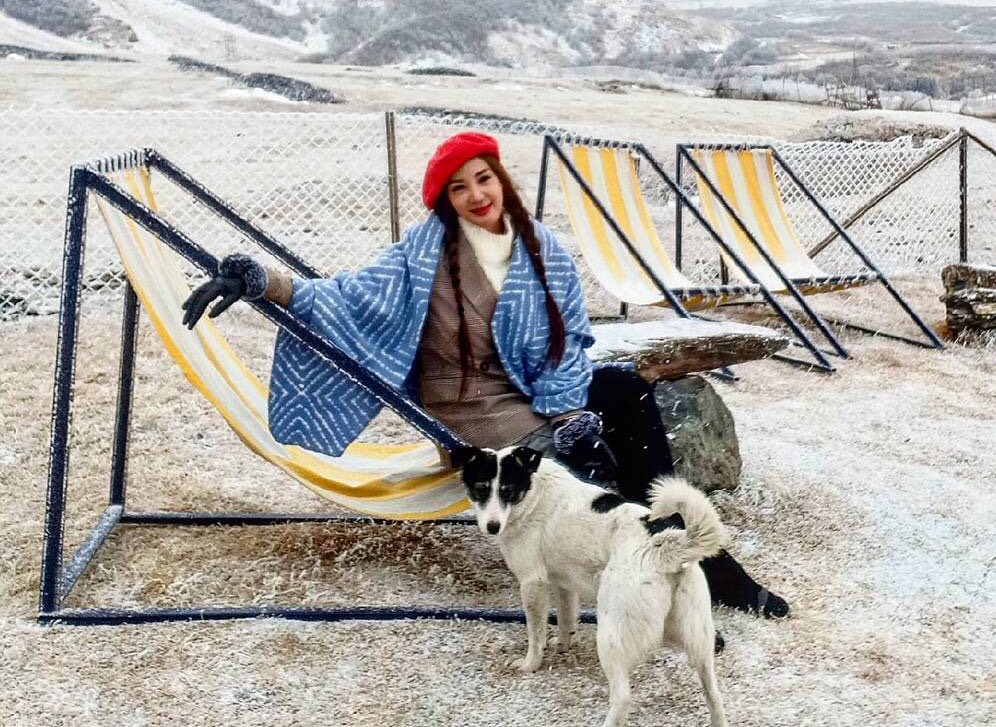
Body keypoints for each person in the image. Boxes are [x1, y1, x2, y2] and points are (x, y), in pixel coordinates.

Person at [182, 130, 789, 619]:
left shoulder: (541, 247)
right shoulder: (419, 258)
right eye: (458, 187)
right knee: (591, 467)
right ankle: (669, 581)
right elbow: (343, 297)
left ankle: (691, 558)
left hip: (537, 390)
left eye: (483, 178)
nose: (476, 195)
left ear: (500, 178)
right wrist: (262, 281)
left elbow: (569, 340)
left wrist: (569, 411)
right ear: (444, 201)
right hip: (473, 409)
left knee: (626, 393)